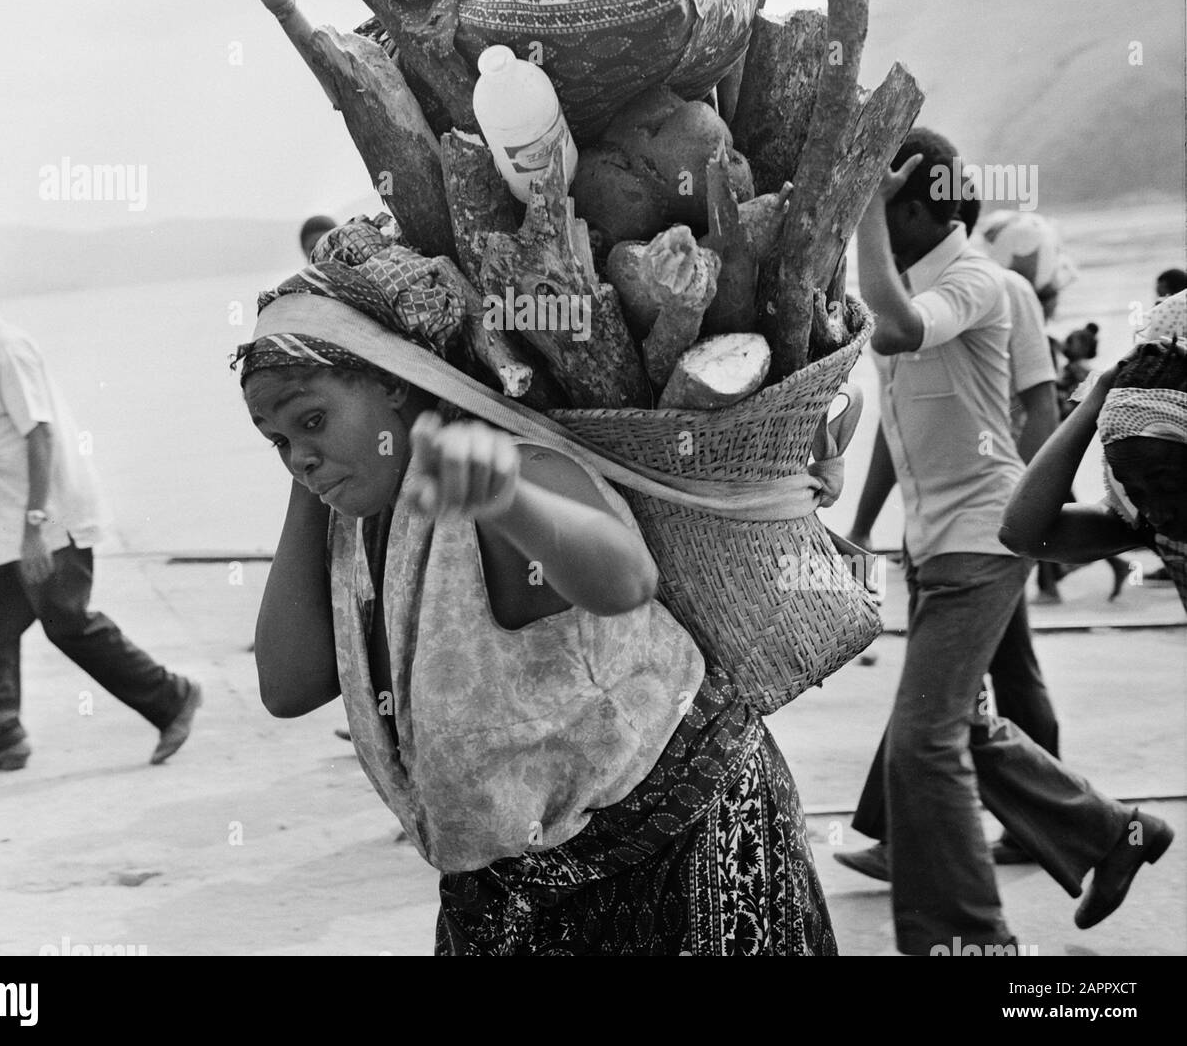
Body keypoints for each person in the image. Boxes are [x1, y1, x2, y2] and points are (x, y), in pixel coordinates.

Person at [238, 218, 835, 955]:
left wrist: (506, 500)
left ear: (397, 383)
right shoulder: (352, 519)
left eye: (315, 419)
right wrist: (310, 478)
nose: (299, 455)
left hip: (681, 841)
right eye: (278, 441)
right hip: (517, 885)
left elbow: (625, 579)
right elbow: (286, 685)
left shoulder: (504, 462)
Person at [838, 131, 1171, 955]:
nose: (876, 222)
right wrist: (862, 525)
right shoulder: (926, 283)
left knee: (927, 740)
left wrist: (860, 214)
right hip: (939, 540)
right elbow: (894, 421)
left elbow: (901, 330)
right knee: (963, 725)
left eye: (886, 206)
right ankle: (1114, 833)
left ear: (913, 206)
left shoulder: (980, 284)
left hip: (983, 538)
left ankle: (968, 937)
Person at [0, 267, 201, 773]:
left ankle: (172, 697)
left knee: (67, 621)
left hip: (47, 523)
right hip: (11, 527)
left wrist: (33, 528)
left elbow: (39, 435)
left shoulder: (9, 350)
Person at [846, 192, 1064, 826]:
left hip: (992, 524)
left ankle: (1061, 830)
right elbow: (897, 429)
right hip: (938, 527)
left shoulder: (996, 290)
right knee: (947, 695)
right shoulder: (905, 292)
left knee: (962, 697)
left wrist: (1024, 518)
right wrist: (863, 524)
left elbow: (1042, 410)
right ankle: (896, 830)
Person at [1001, 339, 1187, 611]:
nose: (1156, 514)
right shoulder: (1152, 527)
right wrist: (1098, 395)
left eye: (1168, 486)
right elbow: (1022, 535)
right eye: (1135, 493)